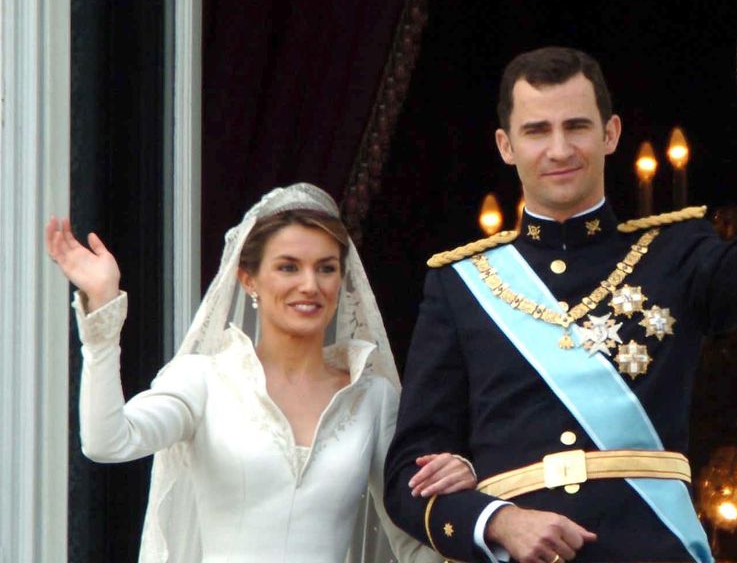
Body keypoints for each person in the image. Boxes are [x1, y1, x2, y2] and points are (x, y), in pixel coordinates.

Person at [384, 11, 737, 563]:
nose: (560, 149)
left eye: (576, 126)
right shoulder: (462, 285)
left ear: (610, 133)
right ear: (505, 145)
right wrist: (497, 521)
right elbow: (409, 477)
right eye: (537, 131)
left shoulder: (675, 253)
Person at [46, 183, 476, 562]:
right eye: (288, 266)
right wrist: (102, 318)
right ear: (248, 279)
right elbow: (108, 442)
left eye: (326, 268)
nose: (310, 284)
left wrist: (464, 494)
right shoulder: (203, 380)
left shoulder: (372, 394)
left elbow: (410, 538)